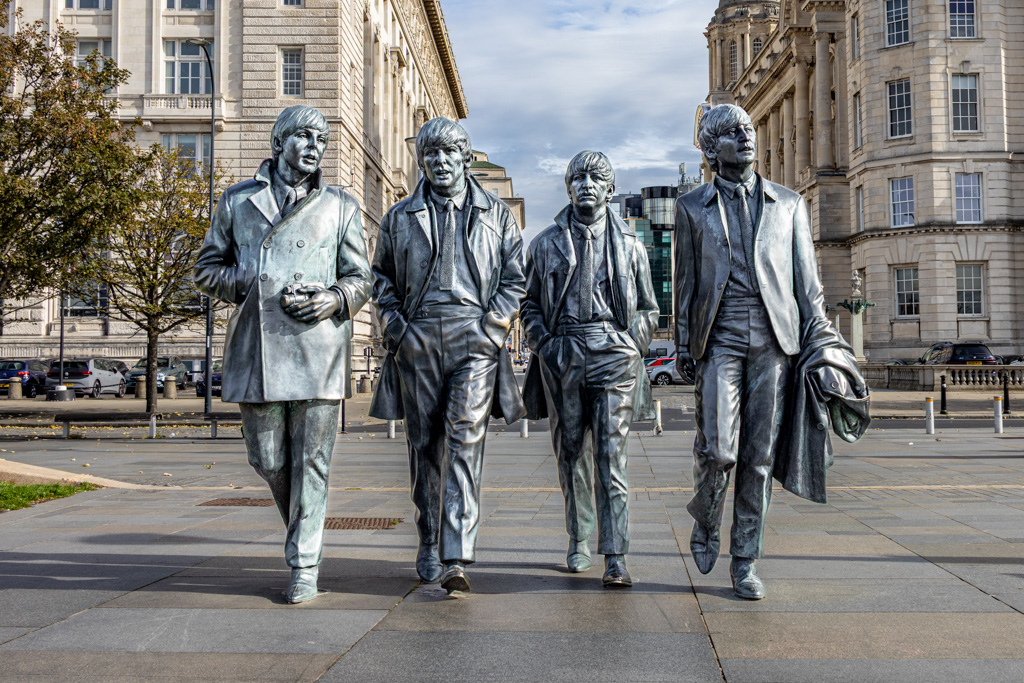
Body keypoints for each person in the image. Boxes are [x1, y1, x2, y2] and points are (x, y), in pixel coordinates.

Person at [194, 105, 371, 603]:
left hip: (318, 349)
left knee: (313, 464)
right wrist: (251, 278)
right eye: (304, 136)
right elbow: (207, 269)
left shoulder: (341, 205)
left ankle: (304, 563)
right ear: (278, 143)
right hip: (259, 348)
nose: (315, 146)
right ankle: (302, 533)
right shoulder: (238, 201)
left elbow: (361, 278)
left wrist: (333, 298)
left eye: (322, 138)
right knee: (267, 458)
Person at [674, 103, 830, 600]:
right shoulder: (691, 206)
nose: (746, 137)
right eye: (732, 133)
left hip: (773, 341)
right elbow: (686, 282)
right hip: (718, 339)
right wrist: (682, 343)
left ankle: (745, 561)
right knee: (719, 450)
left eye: (748, 130)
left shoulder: (789, 204)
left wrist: (822, 341)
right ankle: (705, 519)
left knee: (758, 458)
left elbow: (808, 286)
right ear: (711, 149)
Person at [369, 117, 526, 593]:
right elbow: (381, 281)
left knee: (464, 439)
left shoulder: (496, 214)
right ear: (423, 162)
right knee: (425, 447)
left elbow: (515, 279)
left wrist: (492, 329)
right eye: (431, 155)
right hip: (418, 339)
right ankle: (430, 537)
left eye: (448, 153)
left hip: (473, 339)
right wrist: (398, 328)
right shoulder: (400, 216)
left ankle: (456, 554)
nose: (439, 162)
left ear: (464, 157)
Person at [521, 151, 659, 588]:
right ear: (568, 188)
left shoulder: (632, 244)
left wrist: (630, 343)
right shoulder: (545, 243)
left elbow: (649, 309)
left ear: (610, 189)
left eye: (596, 177)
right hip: (564, 352)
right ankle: (579, 536)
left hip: (612, 354)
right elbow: (529, 304)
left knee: (610, 455)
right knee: (570, 453)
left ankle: (615, 553)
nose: (586, 184)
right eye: (577, 177)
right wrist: (546, 343)